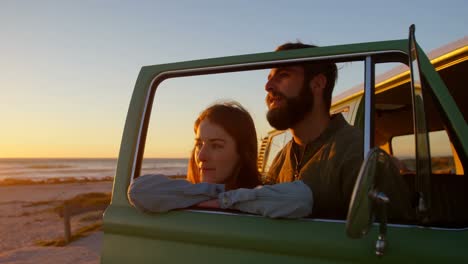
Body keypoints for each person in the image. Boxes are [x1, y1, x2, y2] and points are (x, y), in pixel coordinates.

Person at [128, 101, 312, 219]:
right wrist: (210, 193)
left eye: (216, 145)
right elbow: (138, 191)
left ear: (242, 153)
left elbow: (300, 198)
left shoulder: (260, 196)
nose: (201, 156)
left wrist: (225, 200)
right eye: (199, 144)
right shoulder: (184, 194)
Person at [265, 42, 364, 219]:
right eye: (270, 77)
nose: (268, 86)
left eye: (283, 75)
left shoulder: (358, 153)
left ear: (317, 84)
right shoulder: (281, 160)